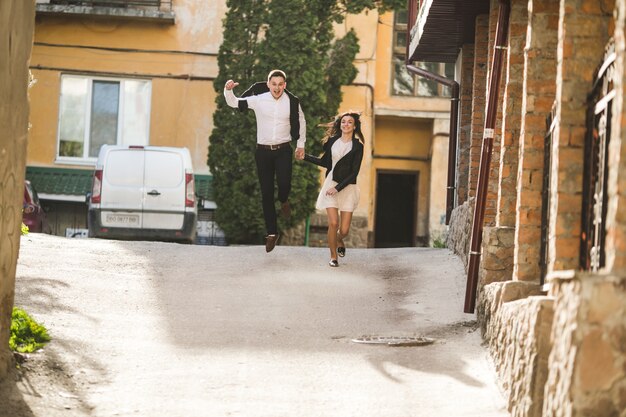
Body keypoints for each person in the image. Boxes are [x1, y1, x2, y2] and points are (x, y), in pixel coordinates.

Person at [223, 70, 306, 253]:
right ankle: (271, 233)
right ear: (268, 84)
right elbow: (235, 103)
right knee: (266, 192)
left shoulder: (292, 101)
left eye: (280, 84)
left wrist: (301, 145)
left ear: (285, 85)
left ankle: (283, 200)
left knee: (284, 184)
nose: (277, 87)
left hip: (283, 150)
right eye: (273, 84)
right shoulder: (259, 100)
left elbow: (301, 121)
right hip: (263, 152)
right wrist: (228, 91)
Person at [297, 111, 364, 267]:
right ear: (339, 125)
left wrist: (338, 188)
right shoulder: (333, 141)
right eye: (343, 122)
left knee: (345, 230)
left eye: (349, 122)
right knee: (333, 223)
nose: (346, 124)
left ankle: (339, 239)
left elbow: (354, 172)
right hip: (330, 185)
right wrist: (304, 156)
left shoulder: (357, 147)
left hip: (348, 187)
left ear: (354, 127)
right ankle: (334, 257)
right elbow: (325, 163)